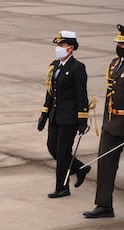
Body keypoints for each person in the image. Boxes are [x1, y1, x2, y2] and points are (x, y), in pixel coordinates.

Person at [83, 24, 124, 218]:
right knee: (106, 164)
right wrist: (106, 121)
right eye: (118, 43)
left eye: (123, 43)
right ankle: (104, 205)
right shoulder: (115, 64)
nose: (119, 46)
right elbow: (110, 94)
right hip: (112, 123)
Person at [38, 31, 90, 198]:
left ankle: (62, 187)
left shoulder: (77, 68)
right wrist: (44, 115)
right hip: (55, 116)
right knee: (52, 147)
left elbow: (82, 95)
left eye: (61, 45)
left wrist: (83, 120)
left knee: (62, 152)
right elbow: (50, 92)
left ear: (71, 48)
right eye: (58, 45)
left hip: (69, 118)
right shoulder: (55, 65)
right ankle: (79, 168)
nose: (58, 48)